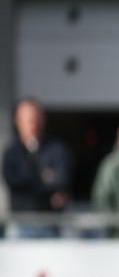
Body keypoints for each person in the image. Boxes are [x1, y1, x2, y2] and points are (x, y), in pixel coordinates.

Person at [2, 98, 73, 237]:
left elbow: (62, 180)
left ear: (42, 119)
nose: (32, 123)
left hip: (51, 223)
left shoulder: (57, 149)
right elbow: (13, 181)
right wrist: (44, 178)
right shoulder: (11, 153)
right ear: (17, 121)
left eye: (35, 118)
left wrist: (30, 181)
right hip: (20, 222)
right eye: (27, 119)